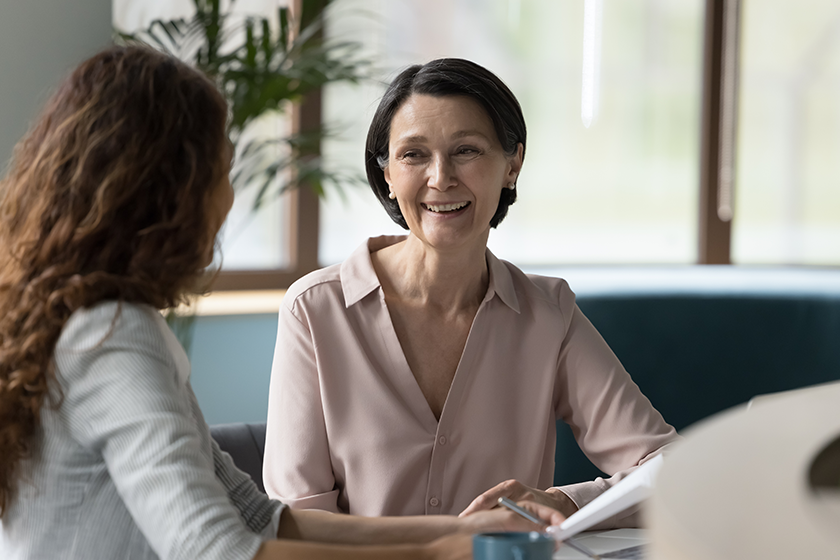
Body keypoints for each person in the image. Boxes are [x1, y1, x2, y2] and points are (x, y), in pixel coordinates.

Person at [0, 46, 564, 560]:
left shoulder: (98, 324)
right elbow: (214, 550)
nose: (229, 198)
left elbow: (257, 517)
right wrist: (436, 555)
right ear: (169, 192)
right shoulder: (113, 337)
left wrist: (456, 534)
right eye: (221, 172)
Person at [264, 58, 679, 523]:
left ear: (511, 165)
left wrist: (565, 502)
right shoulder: (316, 310)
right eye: (413, 154)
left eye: (466, 151)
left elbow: (669, 467)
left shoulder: (548, 314)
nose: (440, 178)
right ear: (387, 173)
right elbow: (296, 521)